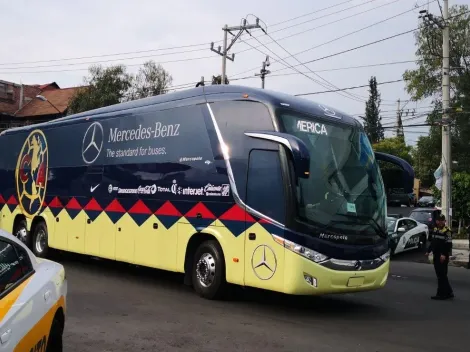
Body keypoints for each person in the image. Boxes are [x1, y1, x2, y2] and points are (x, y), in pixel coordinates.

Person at [425, 214, 454, 300]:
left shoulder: (447, 231)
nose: (440, 222)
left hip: (442, 256)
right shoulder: (435, 229)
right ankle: (449, 292)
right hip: (436, 255)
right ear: (436, 221)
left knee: (441, 275)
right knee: (441, 275)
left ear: (444, 221)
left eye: (442, 220)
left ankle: (441, 294)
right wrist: (428, 251)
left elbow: (449, 245)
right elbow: (433, 242)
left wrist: (444, 254)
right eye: (438, 220)